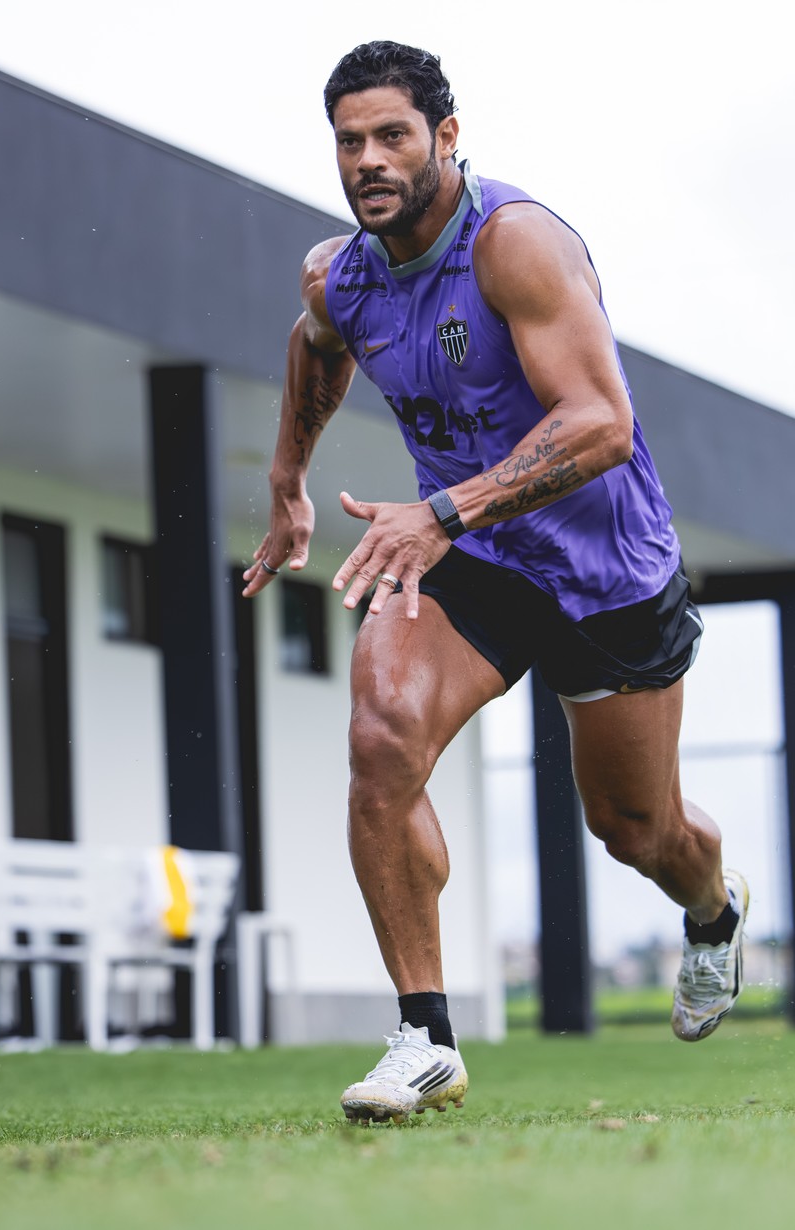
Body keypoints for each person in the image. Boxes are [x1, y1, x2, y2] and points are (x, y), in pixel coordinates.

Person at [242, 40, 748, 1125]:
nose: (368, 161)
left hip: (605, 571)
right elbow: (319, 344)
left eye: (392, 136)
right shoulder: (342, 275)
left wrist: (440, 510)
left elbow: (602, 423)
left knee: (637, 830)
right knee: (382, 735)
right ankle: (425, 1037)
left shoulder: (515, 245)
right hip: (474, 557)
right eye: (349, 142)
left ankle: (713, 910)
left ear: (446, 137)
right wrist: (288, 482)